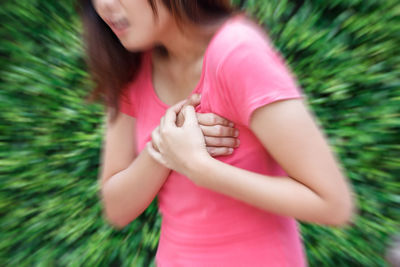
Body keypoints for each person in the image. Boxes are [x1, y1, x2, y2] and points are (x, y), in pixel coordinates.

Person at [78, 0, 357, 266]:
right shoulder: (130, 67)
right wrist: (164, 147)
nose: (104, 7)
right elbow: (117, 208)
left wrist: (202, 169)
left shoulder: (236, 52)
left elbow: (332, 203)